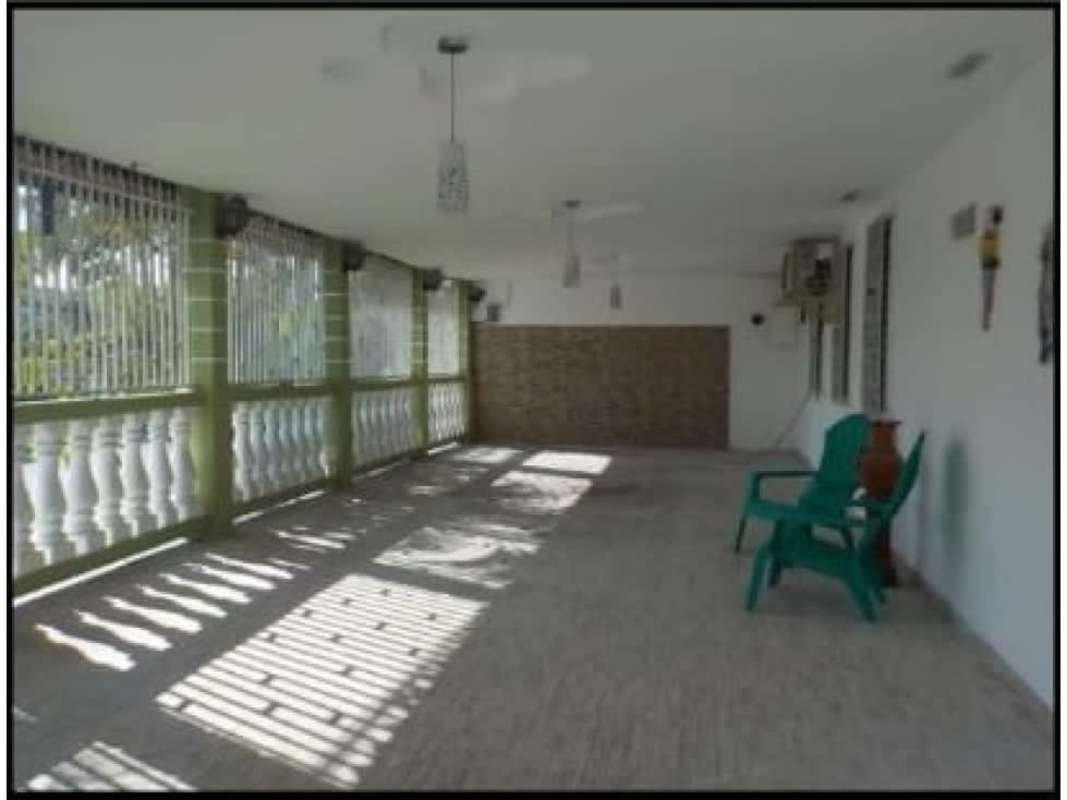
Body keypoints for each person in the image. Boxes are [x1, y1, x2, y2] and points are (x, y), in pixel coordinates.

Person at [978, 206, 1003, 331]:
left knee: (989, 293)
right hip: (988, 266)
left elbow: (989, 248)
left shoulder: (993, 234)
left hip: (989, 266)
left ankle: (987, 317)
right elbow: (987, 249)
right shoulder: (990, 234)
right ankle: (986, 318)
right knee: (988, 292)